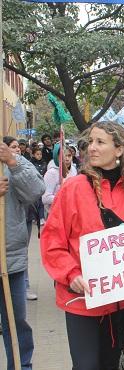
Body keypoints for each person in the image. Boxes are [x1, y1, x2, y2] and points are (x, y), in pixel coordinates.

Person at [40, 121, 124, 369]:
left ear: (119, 150)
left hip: (119, 301)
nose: (92, 148)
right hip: (82, 299)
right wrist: (71, 274)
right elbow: (52, 240)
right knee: (86, 365)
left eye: (100, 142)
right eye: (91, 142)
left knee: (110, 364)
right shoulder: (73, 188)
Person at [1, 138, 45, 370]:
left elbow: (36, 192)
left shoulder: (16, 161)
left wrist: (12, 162)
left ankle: (20, 366)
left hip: (9, 260)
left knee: (16, 322)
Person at [42, 143, 78, 215]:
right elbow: (45, 198)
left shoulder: (74, 170)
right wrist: (64, 198)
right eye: (63, 156)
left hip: (71, 211)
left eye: (69, 155)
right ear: (57, 157)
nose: (67, 158)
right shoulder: (51, 173)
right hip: (55, 213)